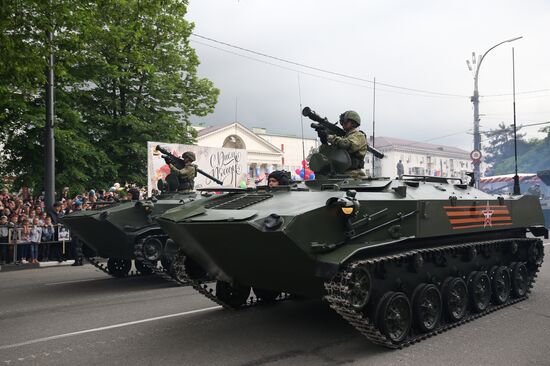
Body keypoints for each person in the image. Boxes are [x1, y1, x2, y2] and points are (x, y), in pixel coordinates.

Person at [319, 110, 368, 177]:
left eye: (345, 121)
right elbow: (327, 153)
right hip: (337, 174)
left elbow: (346, 145)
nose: (343, 124)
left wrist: (329, 137)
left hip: (354, 175)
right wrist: (324, 141)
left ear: (354, 123)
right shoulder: (342, 138)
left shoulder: (359, 136)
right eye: (342, 122)